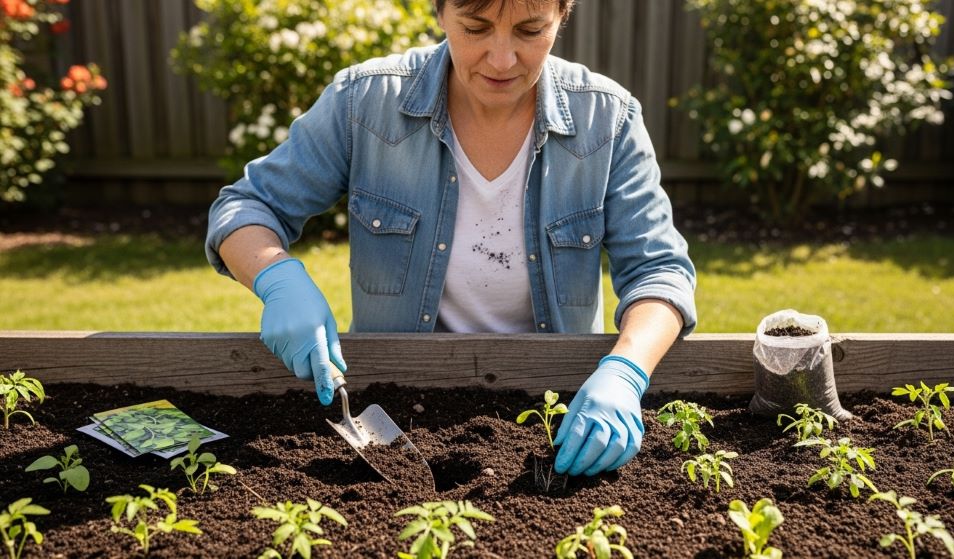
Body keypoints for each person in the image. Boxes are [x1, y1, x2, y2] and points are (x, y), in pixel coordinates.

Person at [205, 0, 697, 478]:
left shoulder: (606, 120)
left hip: (555, 409)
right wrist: (277, 277)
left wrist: (627, 371)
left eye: (529, 31)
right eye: (475, 28)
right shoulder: (366, 103)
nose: (502, 59)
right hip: (399, 403)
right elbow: (247, 206)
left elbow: (660, 271)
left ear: (561, 16)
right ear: (440, 13)